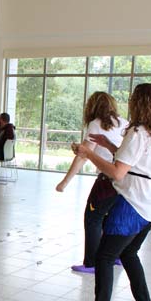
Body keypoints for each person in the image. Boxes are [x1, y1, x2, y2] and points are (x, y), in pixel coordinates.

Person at [70, 83, 151, 301]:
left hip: (135, 203)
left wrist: (88, 153)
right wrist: (109, 145)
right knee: (129, 253)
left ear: (141, 103)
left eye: (133, 98)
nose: (129, 102)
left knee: (105, 257)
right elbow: (138, 160)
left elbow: (117, 172)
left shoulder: (138, 131)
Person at [55, 92, 129, 274]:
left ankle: (92, 262)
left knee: (93, 219)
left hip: (107, 179)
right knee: (113, 218)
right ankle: (115, 255)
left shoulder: (96, 124)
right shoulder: (124, 123)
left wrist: (65, 182)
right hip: (125, 179)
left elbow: (83, 156)